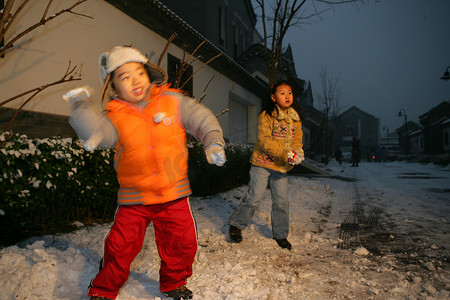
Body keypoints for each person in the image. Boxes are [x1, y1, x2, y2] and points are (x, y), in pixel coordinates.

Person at [64, 46, 226, 300]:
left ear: (149, 74)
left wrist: (213, 141)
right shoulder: (115, 116)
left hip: (173, 192)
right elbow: (97, 136)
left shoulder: (173, 101)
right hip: (134, 197)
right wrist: (80, 106)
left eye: (139, 73)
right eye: (124, 77)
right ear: (115, 88)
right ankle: (103, 290)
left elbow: (201, 118)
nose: (135, 81)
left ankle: (174, 282)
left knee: (181, 243)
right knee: (121, 246)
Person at [228, 80, 304, 251]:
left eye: (289, 92)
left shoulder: (296, 119)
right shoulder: (266, 116)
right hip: (262, 163)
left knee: (282, 202)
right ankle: (236, 225)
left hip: (281, 167)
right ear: (273, 97)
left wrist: (297, 153)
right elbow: (264, 141)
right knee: (254, 197)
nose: (287, 96)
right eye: (282, 93)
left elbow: (297, 141)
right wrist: (286, 153)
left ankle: (280, 234)